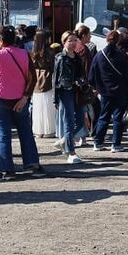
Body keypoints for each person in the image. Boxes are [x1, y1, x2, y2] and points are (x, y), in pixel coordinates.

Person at [0, 25, 39, 177]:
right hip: (20, 100)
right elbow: (33, 77)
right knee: (26, 132)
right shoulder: (24, 54)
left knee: (3, 134)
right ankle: (31, 163)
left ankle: (7, 169)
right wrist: (25, 97)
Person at [90, 30, 128, 152]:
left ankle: (98, 142)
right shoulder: (122, 55)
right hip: (120, 91)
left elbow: (92, 75)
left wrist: (97, 87)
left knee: (103, 117)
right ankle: (116, 144)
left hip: (105, 91)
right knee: (117, 118)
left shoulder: (99, 55)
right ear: (118, 40)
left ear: (106, 39)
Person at [54, 31, 87, 163]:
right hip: (65, 91)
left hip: (77, 91)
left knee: (80, 121)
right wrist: (55, 99)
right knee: (69, 122)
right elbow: (56, 79)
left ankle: (64, 140)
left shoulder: (78, 57)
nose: (73, 43)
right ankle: (71, 152)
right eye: (70, 41)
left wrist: (81, 82)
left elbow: (82, 74)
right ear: (64, 42)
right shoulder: (60, 58)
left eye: (75, 40)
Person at [29, 30, 56, 138]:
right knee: (48, 107)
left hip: (36, 81)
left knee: (37, 108)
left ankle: (38, 130)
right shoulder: (50, 52)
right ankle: (49, 130)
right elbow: (53, 67)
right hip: (48, 80)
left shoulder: (33, 53)